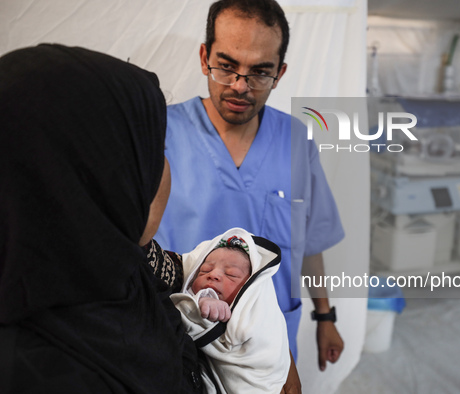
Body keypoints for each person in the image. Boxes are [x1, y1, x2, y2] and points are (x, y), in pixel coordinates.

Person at [155, 0, 346, 376]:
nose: (240, 86)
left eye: (260, 72)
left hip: (269, 349)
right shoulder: (160, 134)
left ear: (280, 72)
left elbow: (309, 241)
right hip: (175, 341)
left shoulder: (295, 140)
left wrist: (325, 317)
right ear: (204, 56)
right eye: (226, 66)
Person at [0, 44, 202, 393]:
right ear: (95, 175)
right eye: (155, 151)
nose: (166, 169)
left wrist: (264, 341)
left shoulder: (121, 265)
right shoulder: (38, 373)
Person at [172, 228, 290, 394]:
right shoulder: (202, 297)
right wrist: (202, 300)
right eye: (204, 270)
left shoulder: (255, 315)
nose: (213, 275)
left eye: (231, 275)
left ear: (249, 289)